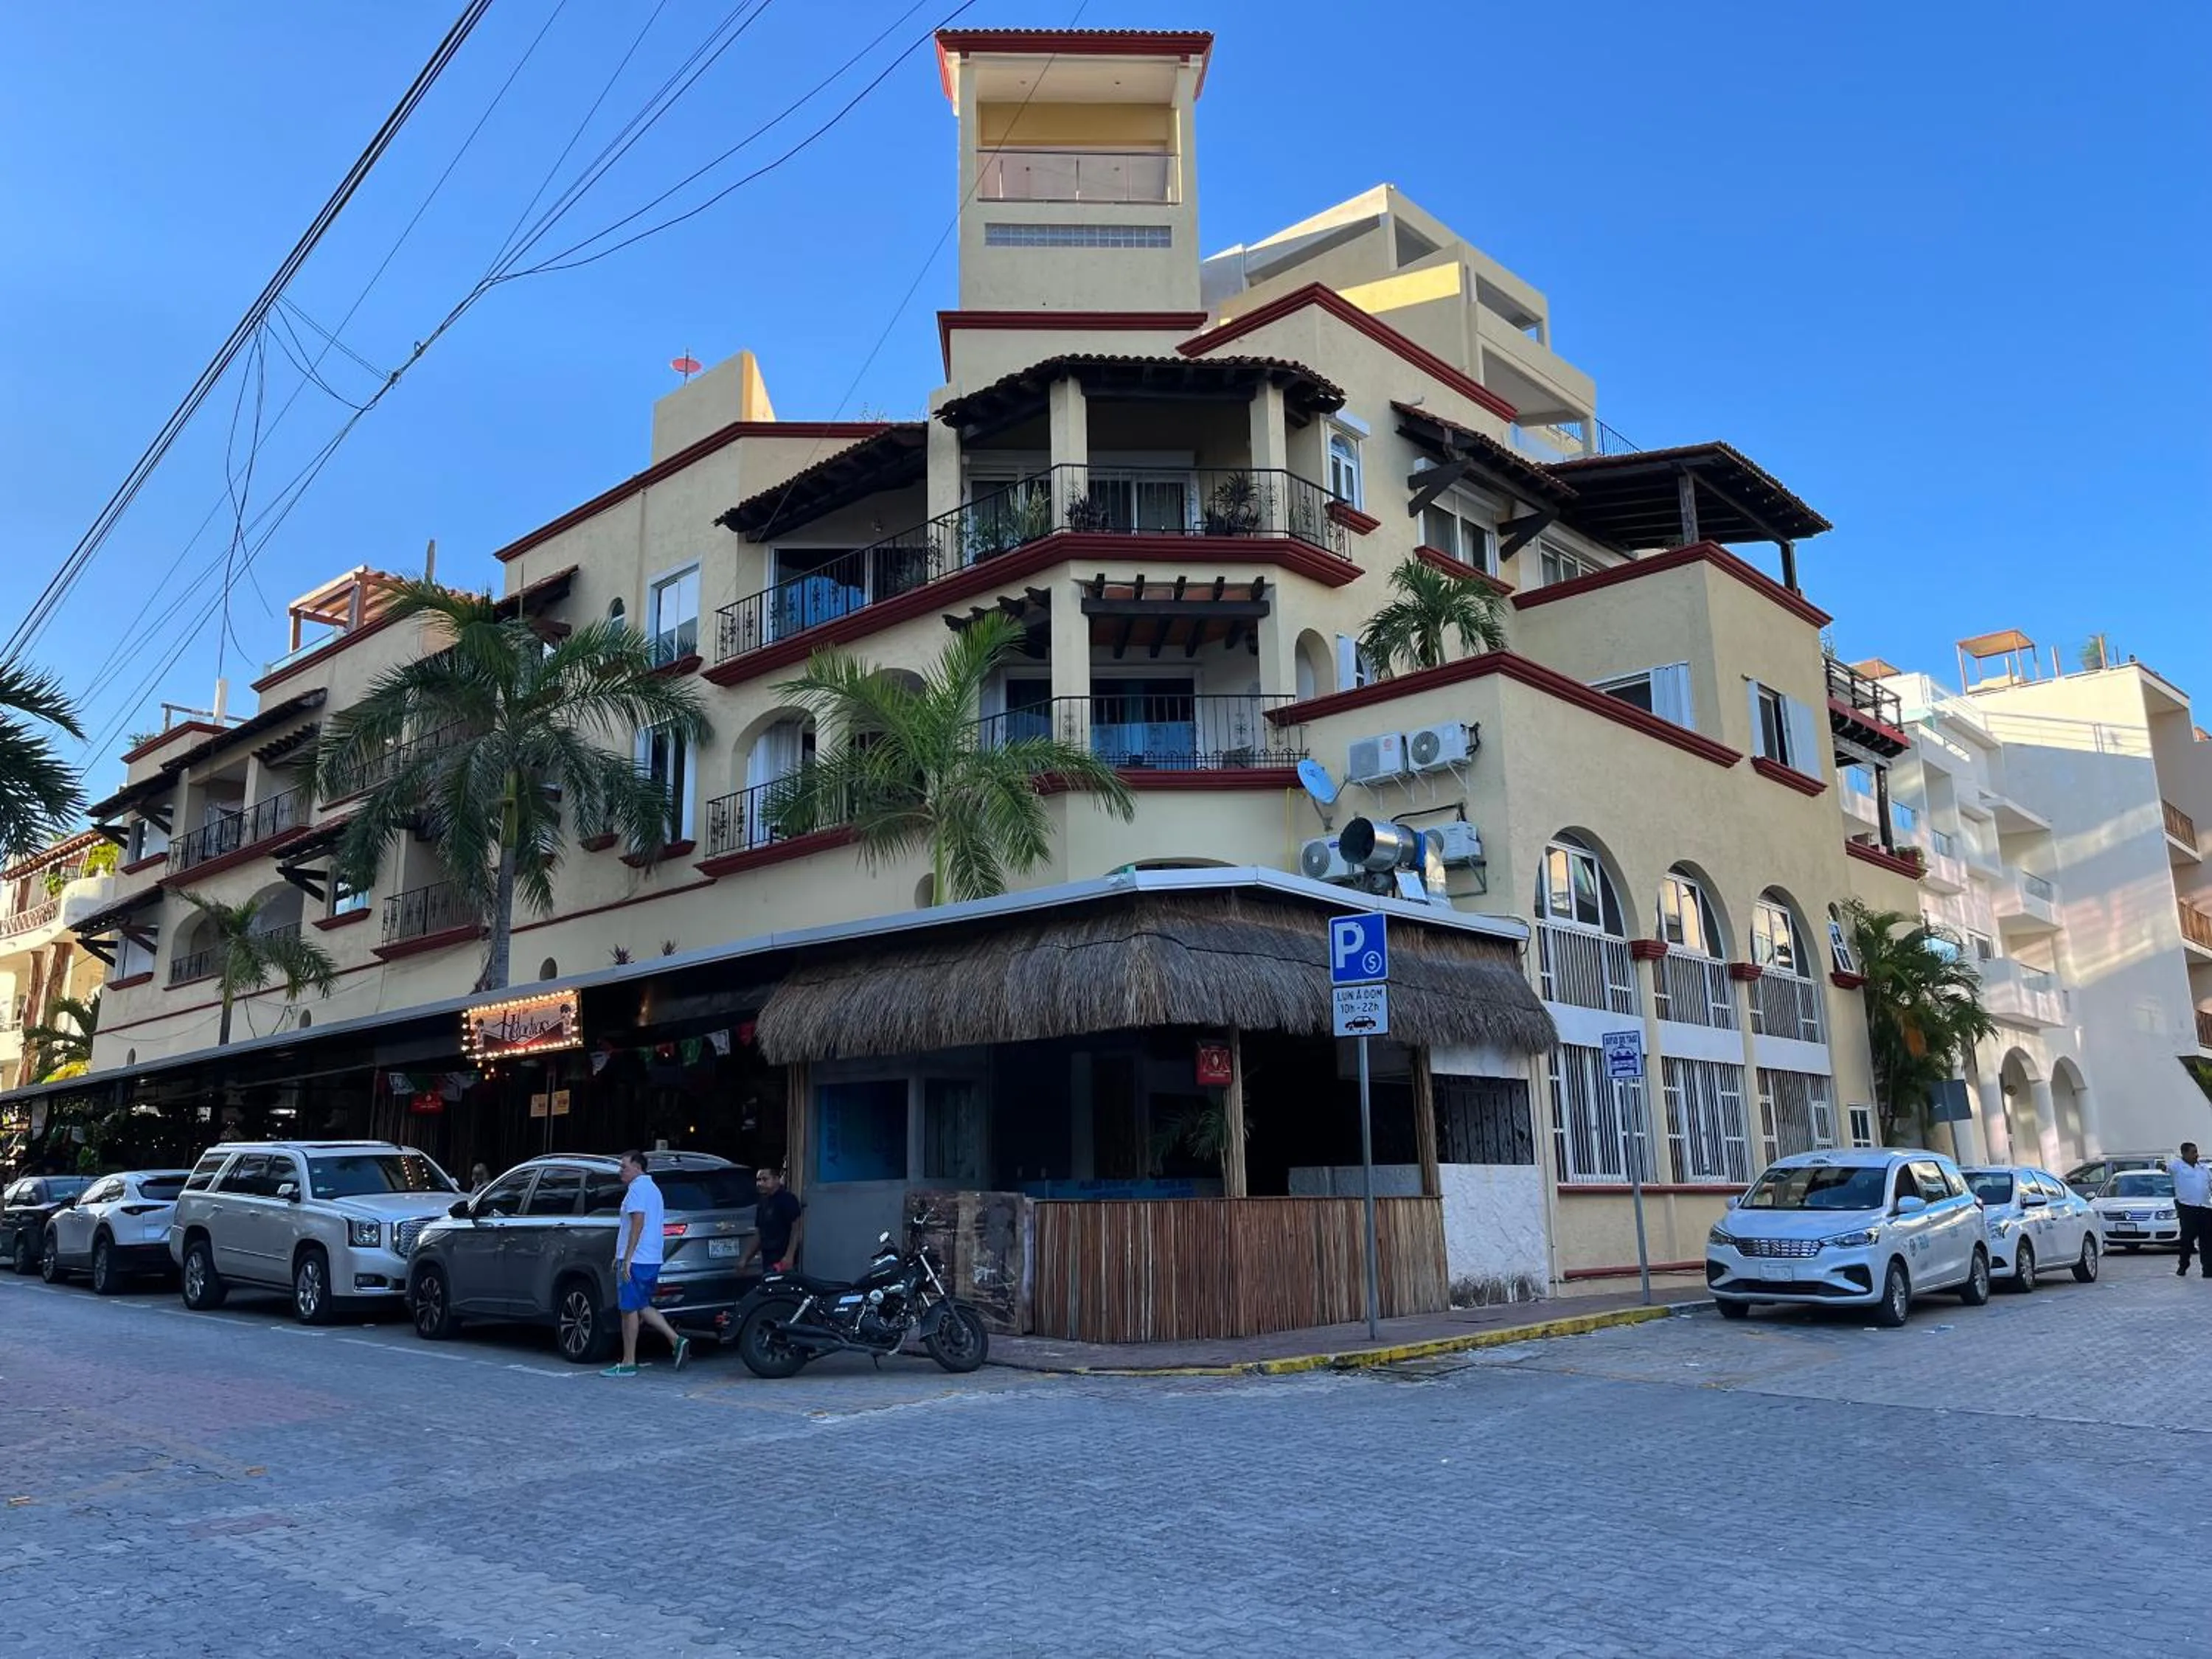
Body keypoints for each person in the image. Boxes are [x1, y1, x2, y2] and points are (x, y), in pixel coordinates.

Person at [602, 1150, 690, 1377]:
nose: (620, 1171)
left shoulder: (637, 1189)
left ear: (638, 1168)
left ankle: (629, 1361)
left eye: (624, 1167)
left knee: (628, 1309)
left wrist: (627, 1258)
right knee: (641, 1304)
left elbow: (637, 1223)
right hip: (650, 1257)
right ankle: (675, 1339)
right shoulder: (652, 1189)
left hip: (638, 1258)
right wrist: (620, 1254)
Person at [740, 1166, 804, 1279]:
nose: (760, 1183)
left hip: (783, 1258)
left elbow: (796, 1228)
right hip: (768, 1258)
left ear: (776, 1179)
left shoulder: (787, 1200)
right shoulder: (763, 1203)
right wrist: (745, 1259)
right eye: (758, 1180)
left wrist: (789, 1256)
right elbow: (759, 1234)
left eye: (765, 1179)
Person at [2169, 1142, 2211, 1279]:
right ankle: (2183, 1265)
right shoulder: (2177, 1166)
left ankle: (2208, 1269)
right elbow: (2166, 1167)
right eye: (2193, 1152)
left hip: (2205, 1208)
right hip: (2188, 1208)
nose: (2196, 1155)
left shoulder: (2203, 1169)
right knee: (2187, 1240)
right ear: (2184, 1154)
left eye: (2196, 1151)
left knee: (2207, 1240)